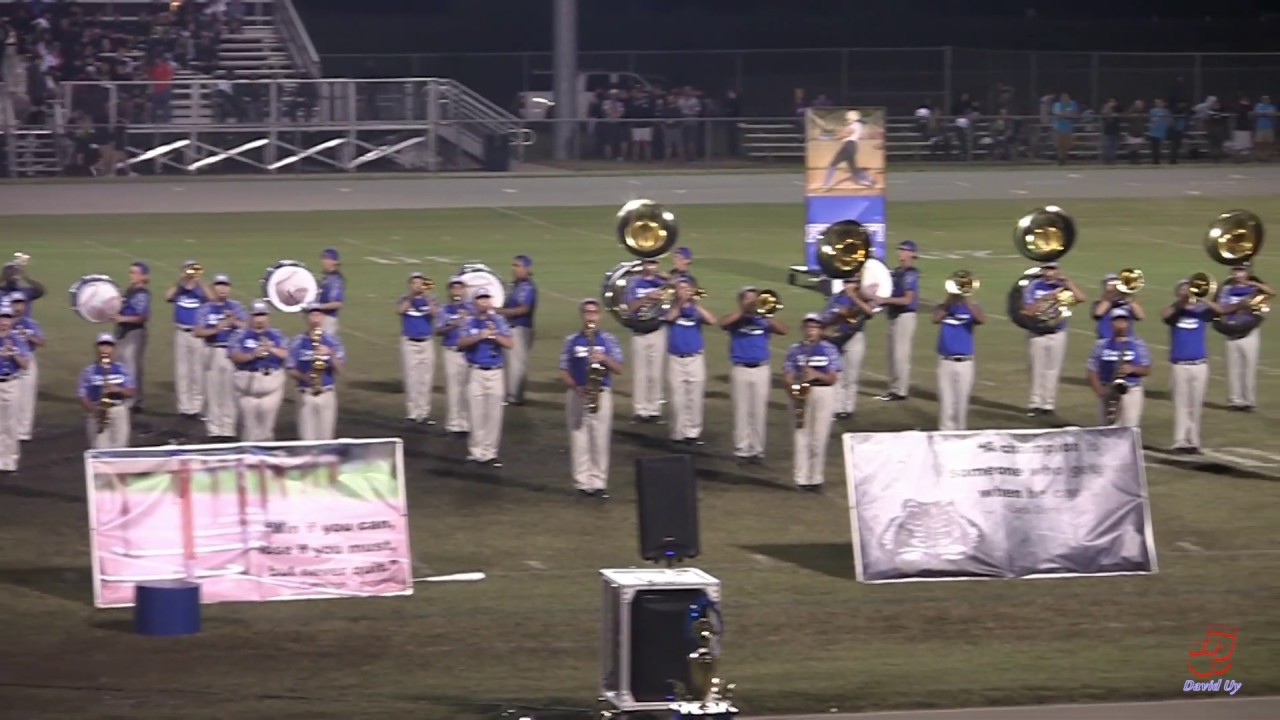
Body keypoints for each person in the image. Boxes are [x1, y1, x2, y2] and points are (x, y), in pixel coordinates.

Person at [558, 298, 624, 498]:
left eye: (594, 312)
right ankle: (581, 483)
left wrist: (604, 358)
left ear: (600, 316)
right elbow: (563, 369)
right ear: (582, 315)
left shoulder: (609, 340)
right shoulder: (571, 340)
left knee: (600, 438)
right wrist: (575, 386)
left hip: (601, 393)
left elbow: (619, 368)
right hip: (578, 394)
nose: (590, 316)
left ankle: (599, 482)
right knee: (578, 437)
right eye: (587, 312)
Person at [719, 287, 786, 463]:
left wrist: (766, 316)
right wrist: (743, 312)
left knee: (759, 411)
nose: (752, 302)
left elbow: (783, 330)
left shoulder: (763, 320)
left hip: (761, 369)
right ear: (741, 301)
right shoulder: (736, 320)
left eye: (754, 299)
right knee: (741, 410)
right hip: (740, 369)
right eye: (748, 299)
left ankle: (757, 450)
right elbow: (723, 323)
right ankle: (742, 450)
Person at [1162, 279, 1226, 453]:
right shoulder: (1175, 311)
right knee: (1181, 404)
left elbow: (1221, 310)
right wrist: (1181, 302)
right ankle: (1180, 440)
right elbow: (1166, 315)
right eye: (1183, 288)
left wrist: (1202, 298)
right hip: (1180, 364)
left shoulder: (1202, 311)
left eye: (1189, 288)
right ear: (1178, 292)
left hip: (1200, 364)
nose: (1187, 291)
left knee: (1196, 404)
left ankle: (1194, 441)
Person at [784, 313, 842, 491]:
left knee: (820, 436)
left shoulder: (829, 349)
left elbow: (833, 378)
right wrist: (794, 393)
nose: (811, 330)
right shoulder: (795, 349)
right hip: (802, 391)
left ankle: (816, 478)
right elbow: (787, 377)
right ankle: (801, 478)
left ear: (820, 330)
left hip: (823, 392)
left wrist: (817, 375)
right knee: (801, 436)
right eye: (808, 327)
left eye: (815, 327)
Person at [456, 288, 513, 467]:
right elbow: (461, 343)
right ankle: (476, 451)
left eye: (486, 299)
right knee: (476, 413)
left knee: (494, 413)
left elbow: (510, 343)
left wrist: (494, 334)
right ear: (475, 302)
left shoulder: (499, 321)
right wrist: (479, 336)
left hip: (496, 371)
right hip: (476, 371)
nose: (484, 302)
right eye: (480, 299)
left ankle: (490, 452)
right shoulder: (469, 321)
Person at [1020, 263, 1085, 417]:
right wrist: (1046, 298)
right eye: (1047, 269)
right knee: (1037, 369)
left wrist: (1068, 283)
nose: (1050, 272)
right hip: (1038, 332)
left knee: (1053, 370)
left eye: (1053, 269)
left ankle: (1048, 405)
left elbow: (1081, 298)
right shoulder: (1033, 286)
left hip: (1058, 331)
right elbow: (1028, 310)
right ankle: (1035, 404)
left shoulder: (1062, 286)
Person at [193, 275, 248, 440]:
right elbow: (197, 331)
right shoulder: (205, 308)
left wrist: (234, 322)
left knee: (230, 392)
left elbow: (248, 327)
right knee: (213, 392)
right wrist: (217, 328)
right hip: (213, 351)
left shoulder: (236, 307)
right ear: (213, 287)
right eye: (219, 285)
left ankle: (228, 430)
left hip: (232, 354)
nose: (222, 288)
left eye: (225, 285)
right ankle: (214, 430)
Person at [227, 300, 289, 442]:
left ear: (268, 317)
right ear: (250, 317)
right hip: (246, 386)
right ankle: (249, 460)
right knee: (248, 429)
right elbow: (233, 356)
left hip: (271, 385)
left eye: (263, 315)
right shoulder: (239, 335)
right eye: (256, 315)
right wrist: (252, 355)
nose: (260, 319)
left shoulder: (276, 335)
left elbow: (287, 354)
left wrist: (271, 348)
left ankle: (265, 460)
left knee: (267, 429)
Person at [664, 278, 716, 446]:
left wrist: (695, 304)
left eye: (688, 288)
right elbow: (669, 318)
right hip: (676, 359)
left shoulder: (696, 310)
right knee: (677, 398)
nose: (685, 291)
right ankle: (677, 433)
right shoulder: (670, 307)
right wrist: (680, 303)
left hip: (695, 358)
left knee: (695, 397)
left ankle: (693, 433)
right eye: (681, 288)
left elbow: (712, 320)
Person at [1216, 265, 1273, 411]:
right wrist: (1240, 306)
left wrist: (1254, 284)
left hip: (1250, 332)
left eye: (1241, 271)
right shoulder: (1226, 288)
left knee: (1250, 368)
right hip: (1231, 331)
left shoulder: (1255, 289)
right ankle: (1234, 401)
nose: (1238, 274)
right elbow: (1221, 307)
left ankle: (1249, 401)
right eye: (1236, 271)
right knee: (1232, 368)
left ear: (1248, 273)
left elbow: (1271, 293)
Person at [287, 304, 346, 441]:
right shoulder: (297, 342)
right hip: (306, 394)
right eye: (312, 314)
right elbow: (290, 368)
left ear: (323, 317)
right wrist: (304, 377)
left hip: (327, 393)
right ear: (306, 317)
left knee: (326, 439)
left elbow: (340, 370)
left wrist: (330, 354)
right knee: (306, 439)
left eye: (318, 314)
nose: (315, 318)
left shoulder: (333, 341)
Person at [1086, 308, 1151, 428]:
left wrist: (1132, 369)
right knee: (1106, 428)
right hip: (1107, 388)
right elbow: (1092, 370)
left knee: (1129, 427)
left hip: (1131, 390)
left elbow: (1146, 369)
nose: (1121, 324)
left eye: (1124, 321)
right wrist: (1101, 393)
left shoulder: (1138, 343)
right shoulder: (1101, 345)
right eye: (1117, 321)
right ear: (1111, 323)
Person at [933, 285, 985, 431]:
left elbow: (980, 319)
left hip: (965, 362)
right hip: (945, 361)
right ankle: (944, 435)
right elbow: (936, 318)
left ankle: (961, 435)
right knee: (946, 404)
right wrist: (950, 299)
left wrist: (966, 300)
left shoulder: (973, 307)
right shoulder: (943, 307)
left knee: (962, 405)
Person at [822, 278, 875, 419]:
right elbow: (825, 318)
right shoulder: (836, 297)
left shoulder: (862, 298)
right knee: (838, 375)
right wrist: (835, 317)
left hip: (855, 338)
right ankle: (836, 408)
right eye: (847, 282)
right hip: (837, 338)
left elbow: (869, 312)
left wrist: (853, 297)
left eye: (853, 282)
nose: (849, 285)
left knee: (851, 376)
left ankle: (848, 408)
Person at [624, 258, 670, 422]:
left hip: (658, 330)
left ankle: (654, 409)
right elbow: (629, 308)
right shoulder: (634, 283)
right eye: (648, 263)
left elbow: (690, 291)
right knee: (640, 373)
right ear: (642, 265)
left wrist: (669, 280)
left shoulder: (663, 282)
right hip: (639, 331)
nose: (651, 266)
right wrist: (647, 298)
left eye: (654, 263)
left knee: (656, 373)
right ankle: (640, 410)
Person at [166, 261, 212, 418]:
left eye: (194, 269)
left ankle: (197, 407)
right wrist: (181, 280)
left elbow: (212, 299)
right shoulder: (180, 288)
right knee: (182, 372)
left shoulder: (201, 289)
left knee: (197, 371)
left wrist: (200, 281)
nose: (191, 273)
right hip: (181, 332)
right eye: (188, 269)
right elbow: (168, 296)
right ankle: (184, 408)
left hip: (197, 334)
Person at [78, 332, 135, 450]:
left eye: (109, 346)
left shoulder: (122, 369)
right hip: (98, 411)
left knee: (121, 449)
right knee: (100, 450)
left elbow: (132, 392)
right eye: (102, 345)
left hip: (119, 411)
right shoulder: (89, 371)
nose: (105, 349)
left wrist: (118, 389)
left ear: (114, 349)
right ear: (96, 348)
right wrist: (94, 411)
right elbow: (82, 395)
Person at [878, 240, 920, 402]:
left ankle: (901, 390)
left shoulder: (910, 274)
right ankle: (893, 388)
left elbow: (907, 300)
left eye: (904, 250)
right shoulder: (897, 272)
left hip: (904, 316)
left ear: (912, 254)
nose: (900, 253)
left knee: (900, 354)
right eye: (899, 249)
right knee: (892, 354)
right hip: (894, 315)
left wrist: (884, 300)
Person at [398, 272, 438, 425]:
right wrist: (411, 297)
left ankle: (424, 412)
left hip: (426, 342)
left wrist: (427, 296)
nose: (417, 286)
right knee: (411, 378)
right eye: (414, 283)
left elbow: (436, 313)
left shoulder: (430, 300)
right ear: (410, 285)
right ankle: (412, 413)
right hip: (410, 342)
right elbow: (400, 310)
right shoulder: (404, 299)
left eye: (420, 283)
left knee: (426, 379)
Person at [499, 255, 537, 406]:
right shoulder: (515, 285)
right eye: (513, 265)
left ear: (526, 269)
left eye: (517, 265)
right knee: (509, 363)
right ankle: (509, 393)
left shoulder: (527, 287)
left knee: (517, 364)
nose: (513, 268)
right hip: (510, 327)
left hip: (521, 329)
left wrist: (500, 312)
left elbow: (524, 309)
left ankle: (515, 396)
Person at [436, 277, 472, 435]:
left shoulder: (472, 308)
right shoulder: (444, 309)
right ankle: (453, 423)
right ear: (449, 291)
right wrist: (454, 324)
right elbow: (438, 330)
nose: (457, 290)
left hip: (468, 353)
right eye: (454, 288)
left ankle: (466, 422)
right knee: (453, 388)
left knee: (467, 387)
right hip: (451, 351)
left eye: (459, 287)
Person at [114, 261, 151, 411]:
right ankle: (128, 396)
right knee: (123, 365)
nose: (131, 275)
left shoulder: (141, 294)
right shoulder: (130, 290)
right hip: (124, 331)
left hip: (134, 332)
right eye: (130, 272)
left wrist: (122, 319)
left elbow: (142, 317)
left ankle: (134, 400)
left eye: (135, 273)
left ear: (143, 276)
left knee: (132, 367)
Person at [0, 303, 32, 471]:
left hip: (12, 383)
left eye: (7, 319)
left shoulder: (17, 340)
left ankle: (10, 461)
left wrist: (13, 353)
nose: (5, 322)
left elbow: (26, 364)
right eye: (2, 318)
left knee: (10, 424)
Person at [8, 294, 43, 442]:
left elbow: (42, 341)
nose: (18, 307)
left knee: (27, 397)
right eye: (15, 303)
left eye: (21, 303)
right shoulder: (4, 322)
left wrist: (29, 337)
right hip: (7, 361)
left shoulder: (30, 323)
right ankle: (7, 429)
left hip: (27, 358)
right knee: (8, 396)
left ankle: (23, 432)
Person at [818, 109, 876, 191]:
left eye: (848, 119)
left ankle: (826, 185)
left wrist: (828, 137)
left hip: (848, 146)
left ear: (853, 119)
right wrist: (840, 130)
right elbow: (844, 132)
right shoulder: (858, 125)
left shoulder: (853, 126)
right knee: (853, 167)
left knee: (832, 164)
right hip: (852, 146)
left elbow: (843, 135)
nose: (847, 120)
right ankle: (869, 181)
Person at [1091, 274, 1146, 340]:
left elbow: (1140, 316)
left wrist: (1128, 297)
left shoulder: (1128, 302)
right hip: (1106, 340)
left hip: (1126, 340)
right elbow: (1098, 313)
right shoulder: (1099, 302)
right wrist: (1111, 295)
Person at [316, 248, 345, 334]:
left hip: (327, 320)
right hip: (319, 318)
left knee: (322, 346)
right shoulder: (325, 275)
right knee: (315, 345)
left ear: (334, 262)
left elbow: (337, 304)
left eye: (327, 259)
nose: (323, 261)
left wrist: (317, 306)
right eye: (323, 258)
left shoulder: (335, 280)